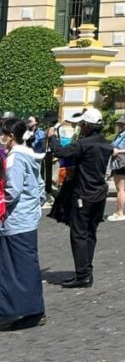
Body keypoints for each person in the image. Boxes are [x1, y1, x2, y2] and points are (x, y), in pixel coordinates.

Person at [47, 108, 113, 289]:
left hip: (84, 194)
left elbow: (59, 152)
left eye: (82, 124)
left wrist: (52, 136)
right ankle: (87, 271)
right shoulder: (106, 144)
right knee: (91, 233)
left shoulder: (83, 144)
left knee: (78, 233)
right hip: (100, 194)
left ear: (86, 125)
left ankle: (83, 274)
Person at [0, 118, 47, 331]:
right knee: (27, 266)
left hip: (15, 221)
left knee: (14, 269)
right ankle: (33, 310)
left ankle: (17, 311)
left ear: (10, 137)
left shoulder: (14, 158)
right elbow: (39, 186)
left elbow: (13, 190)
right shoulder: (29, 153)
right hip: (27, 219)